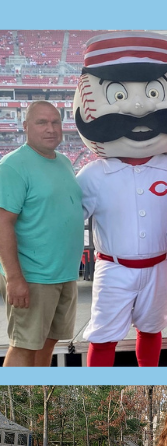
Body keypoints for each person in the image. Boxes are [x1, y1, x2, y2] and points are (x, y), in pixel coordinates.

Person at [74, 32, 167, 367]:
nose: (139, 109)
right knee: (102, 336)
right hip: (113, 266)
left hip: (160, 266)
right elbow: (68, 222)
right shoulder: (92, 174)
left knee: (151, 329)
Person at [0, 100, 82, 367]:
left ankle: (38, 398)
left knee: (48, 342)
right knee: (24, 345)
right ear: (25, 127)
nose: (51, 129)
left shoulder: (64, 162)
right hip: (33, 276)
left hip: (64, 274)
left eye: (55, 122)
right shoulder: (13, 166)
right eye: (42, 122)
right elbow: (3, 223)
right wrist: (14, 278)